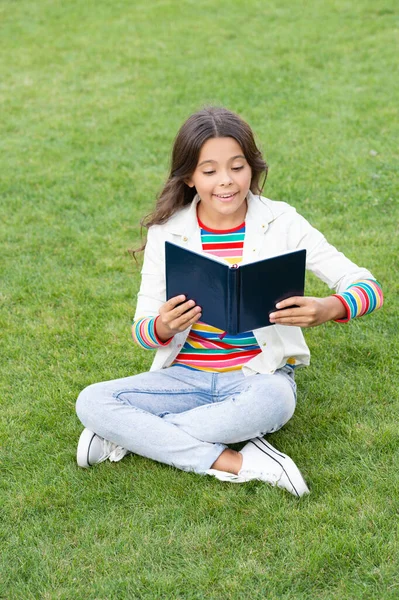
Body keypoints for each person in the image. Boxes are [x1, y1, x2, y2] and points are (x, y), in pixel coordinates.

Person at [75, 107, 383, 497]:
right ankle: (240, 461)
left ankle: (128, 436)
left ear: (252, 168)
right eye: (209, 171)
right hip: (184, 377)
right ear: (188, 176)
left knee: (273, 404)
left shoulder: (282, 221)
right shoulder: (166, 233)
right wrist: (163, 326)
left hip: (258, 379)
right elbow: (142, 329)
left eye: (237, 167)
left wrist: (329, 308)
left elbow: (367, 286)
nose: (226, 182)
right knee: (92, 400)